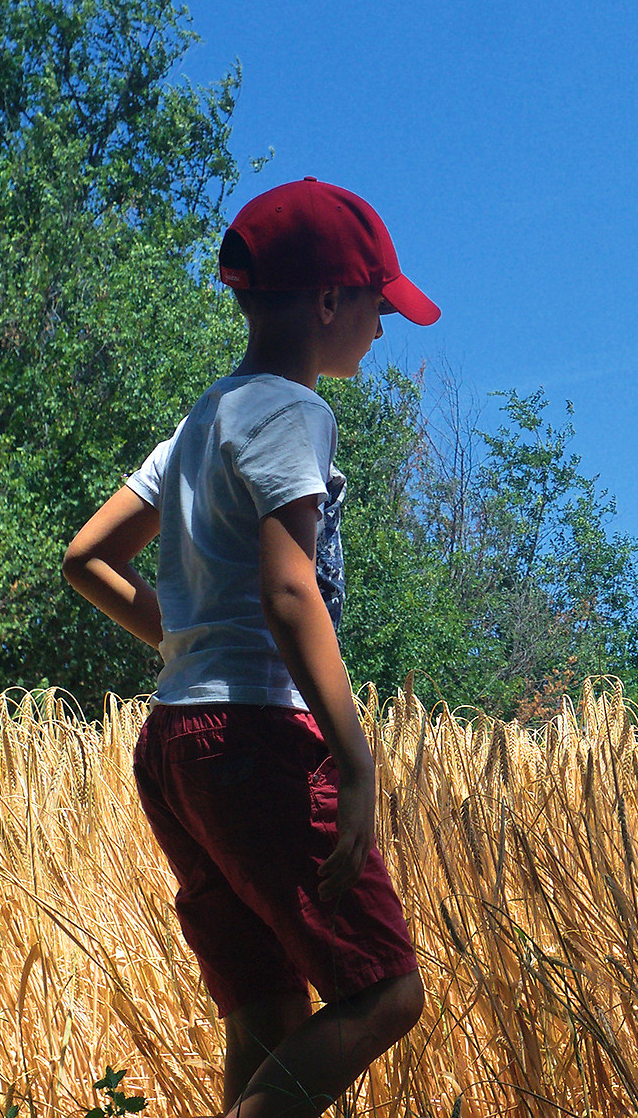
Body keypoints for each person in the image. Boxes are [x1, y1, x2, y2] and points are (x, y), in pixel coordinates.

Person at [63, 178, 437, 1118]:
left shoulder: (202, 420)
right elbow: (286, 588)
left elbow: (86, 558)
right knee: (384, 991)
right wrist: (354, 758)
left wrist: (185, 649)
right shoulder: (293, 414)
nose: (383, 331)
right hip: (259, 742)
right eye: (377, 306)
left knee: (268, 1008)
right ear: (326, 302)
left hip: (176, 747)